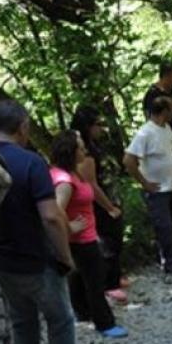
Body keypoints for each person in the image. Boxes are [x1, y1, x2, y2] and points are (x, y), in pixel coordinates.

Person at [0, 100, 81, 344]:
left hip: (0, 263)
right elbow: (50, 216)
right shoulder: (31, 162)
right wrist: (65, 256)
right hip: (38, 261)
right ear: (22, 127)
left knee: (22, 324)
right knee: (60, 321)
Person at [49, 130, 128, 338]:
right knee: (95, 280)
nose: (85, 150)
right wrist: (69, 227)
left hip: (83, 237)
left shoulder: (68, 172)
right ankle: (105, 323)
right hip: (82, 239)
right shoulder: (65, 180)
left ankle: (82, 312)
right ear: (71, 151)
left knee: (78, 277)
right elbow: (55, 209)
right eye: (81, 147)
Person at [70, 106, 128, 305]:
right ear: (87, 127)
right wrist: (108, 207)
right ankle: (109, 286)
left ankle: (115, 277)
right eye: (97, 125)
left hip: (112, 198)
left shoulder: (96, 147)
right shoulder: (85, 154)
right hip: (101, 205)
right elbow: (91, 184)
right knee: (108, 244)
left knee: (116, 240)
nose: (101, 128)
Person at [124, 96, 172, 284]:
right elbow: (129, 160)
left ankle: (168, 257)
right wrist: (144, 183)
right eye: (171, 109)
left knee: (169, 225)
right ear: (163, 111)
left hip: (170, 187)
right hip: (157, 190)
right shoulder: (145, 133)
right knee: (163, 226)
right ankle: (169, 266)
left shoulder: (166, 128)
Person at [143, 61, 172, 173]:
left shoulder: (171, 93)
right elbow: (152, 121)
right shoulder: (153, 95)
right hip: (165, 146)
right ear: (166, 76)